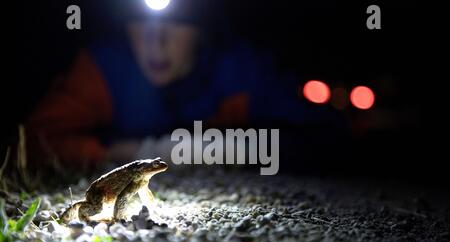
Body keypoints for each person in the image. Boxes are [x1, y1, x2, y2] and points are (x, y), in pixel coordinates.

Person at [26, 0, 346, 169]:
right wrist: (121, 153)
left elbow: (324, 136)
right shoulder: (104, 68)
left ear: (204, 30)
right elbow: (34, 141)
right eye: (142, 21)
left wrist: (217, 150)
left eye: (177, 23)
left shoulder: (239, 70)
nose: (157, 41)